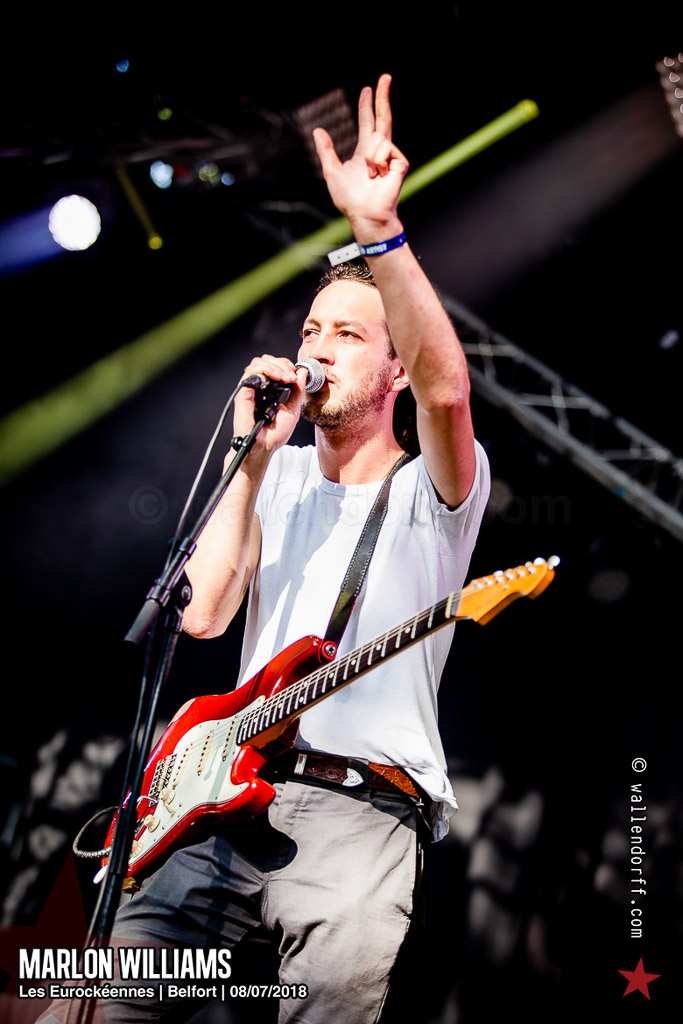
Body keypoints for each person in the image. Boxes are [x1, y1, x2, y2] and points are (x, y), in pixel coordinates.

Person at [41, 74, 490, 1024]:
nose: (318, 348)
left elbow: (449, 393)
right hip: (221, 796)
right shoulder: (271, 474)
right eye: (311, 329)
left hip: (360, 813)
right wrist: (249, 461)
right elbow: (203, 615)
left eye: (348, 335)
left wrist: (379, 231)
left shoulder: (432, 494)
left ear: (393, 369)